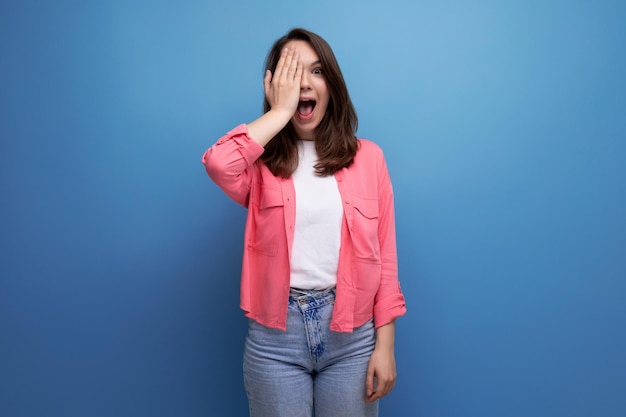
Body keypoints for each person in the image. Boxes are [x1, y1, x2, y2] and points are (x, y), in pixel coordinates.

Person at [202, 27, 406, 417]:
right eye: (291, 73)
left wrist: (385, 346)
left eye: (315, 71)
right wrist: (279, 113)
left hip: (352, 339)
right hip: (275, 341)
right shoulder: (259, 164)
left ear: (332, 83)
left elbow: (386, 261)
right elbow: (217, 162)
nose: (304, 84)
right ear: (275, 85)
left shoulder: (370, 159)